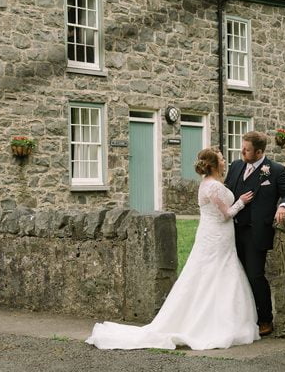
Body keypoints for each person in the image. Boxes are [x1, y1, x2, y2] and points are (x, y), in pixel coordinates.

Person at [86, 148, 259, 350]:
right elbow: (225, 214)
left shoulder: (210, 184)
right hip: (217, 235)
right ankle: (211, 323)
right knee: (214, 272)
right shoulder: (213, 187)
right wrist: (241, 202)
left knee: (212, 272)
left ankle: (218, 318)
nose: (224, 161)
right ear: (213, 165)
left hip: (216, 235)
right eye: (221, 159)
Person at [225, 131, 285, 336]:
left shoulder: (274, 170)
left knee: (255, 275)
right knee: (233, 275)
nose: (242, 151)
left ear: (259, 152)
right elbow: (226, 190)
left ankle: (265, 318)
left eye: (246, 149)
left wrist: (284, 206)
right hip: (230, 230)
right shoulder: (236, 166)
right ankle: (239, 317)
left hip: (255, 232)